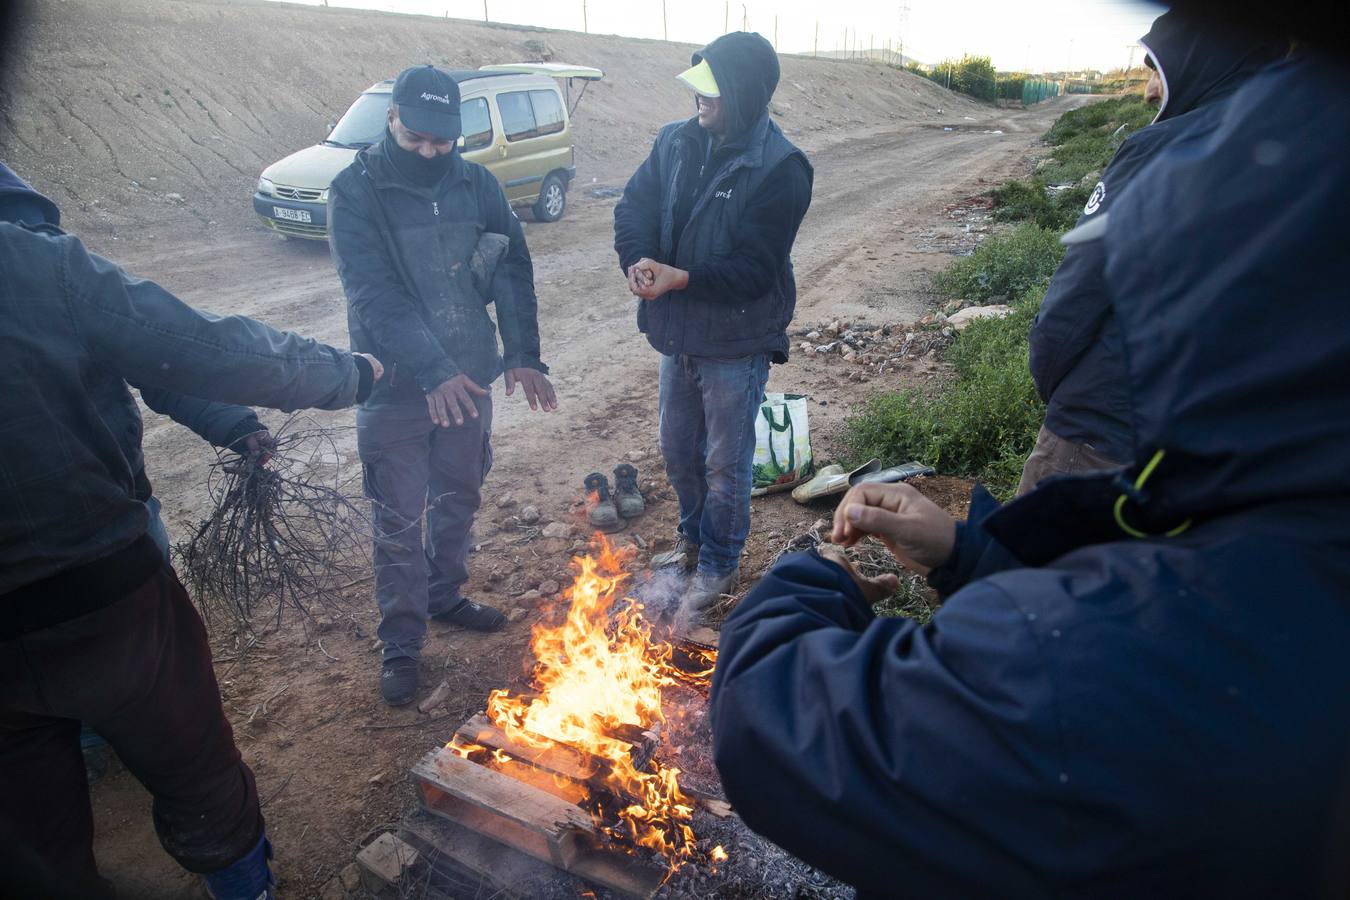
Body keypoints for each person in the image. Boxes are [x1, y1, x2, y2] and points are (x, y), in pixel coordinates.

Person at [708, 44, 1350, 898]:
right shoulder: (1285, 548)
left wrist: (803, 581)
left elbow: (775, 728)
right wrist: (967, 554)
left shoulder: (1155, 641)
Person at [0, 219, 383, 899]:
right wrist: (346, 374)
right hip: (104, 590)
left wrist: (235, 425)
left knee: (30, 833)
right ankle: (243, 886)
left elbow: (155, 365)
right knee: (193, 762)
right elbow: (192, 345)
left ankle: (91, 745)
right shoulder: (29, 260)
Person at [328, 65, 557, 707]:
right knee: (398, 516)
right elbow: (373, 294)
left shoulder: (477, 183)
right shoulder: (355, 192)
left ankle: (443, 595)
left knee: (460, 490)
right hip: (394, 382)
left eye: (443, 141)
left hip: (470, 379)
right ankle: (402, 641)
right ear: (393, 119)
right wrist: (431, 371)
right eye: (417, 138)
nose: (430, 151)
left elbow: (512, 268)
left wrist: (522, 353)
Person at [1016, 10, 1286, 495]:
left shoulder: (1161, 148)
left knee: (1030, 564)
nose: (1149, 91)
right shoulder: (1304, 151)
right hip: (1223, 448)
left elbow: (1080, 289)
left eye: (1156, 71)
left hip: (1103, 427)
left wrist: (1052, 385)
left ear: (1201, 61)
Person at [613, 32, 813, 622]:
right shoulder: (675, 141)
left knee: (727, 462)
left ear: (744, 95)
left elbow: (755, 269)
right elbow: (634, 206)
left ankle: (720, 564)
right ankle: (695, 541)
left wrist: (683, 278)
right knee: (679, 450)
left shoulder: (782, 168)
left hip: (736, 339)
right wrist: (639, 257)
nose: (700, 98)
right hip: (679, 333)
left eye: (712, 89)